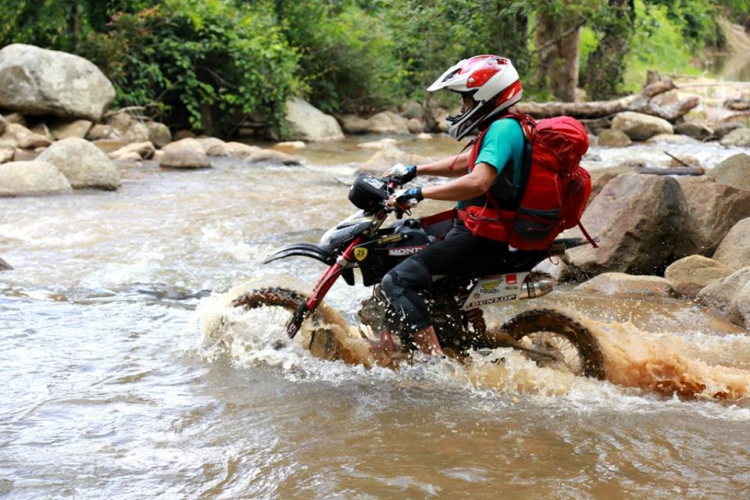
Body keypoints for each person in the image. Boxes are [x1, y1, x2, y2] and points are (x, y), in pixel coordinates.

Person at [381, 55, 531, 357]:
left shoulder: (502, 131)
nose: (462, 110)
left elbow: (478, 181)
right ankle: (452, 332)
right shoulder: (505, 126)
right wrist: (415, 170)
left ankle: (433, 364)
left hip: (480, 237)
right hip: (477, 226)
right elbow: (463, 162)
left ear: (485, 97)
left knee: (395, 281)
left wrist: (419, 194)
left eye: (465, 101)